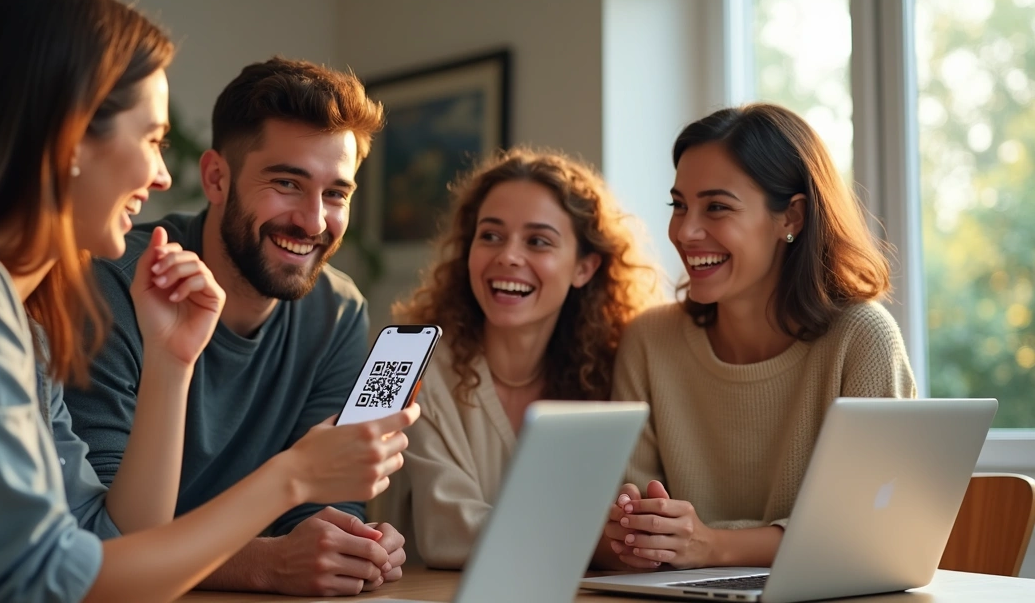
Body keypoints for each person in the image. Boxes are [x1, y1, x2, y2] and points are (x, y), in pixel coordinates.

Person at [0, 0, 415, 602]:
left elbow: (111, 543)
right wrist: (289, 479)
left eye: (336, 193)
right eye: (152, 140)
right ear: (69, 139)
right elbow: (49, 582)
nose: (162, 177)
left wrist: (170, 363)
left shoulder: (21, 321)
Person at [64, 57, 407, 597]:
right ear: (216, 178)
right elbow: (101, 537)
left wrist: (347, 544)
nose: (313, 221)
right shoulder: (117, 283)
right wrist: (263, 563)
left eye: (336, 194)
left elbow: (320, 500)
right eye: (287, 183)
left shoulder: (338, 310)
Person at [602, 103, 916, 572]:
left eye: (716, 207)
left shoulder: (862, 338)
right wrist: (635, 531)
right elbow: (629, 532)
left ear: (791, 217)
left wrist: (712, 545)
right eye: (679, 205)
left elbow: (869, 529)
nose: (685, 231)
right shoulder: (649, 341)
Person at [385, 147, 662, 568]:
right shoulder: (416, 364)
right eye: (490, 236)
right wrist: (598, 542)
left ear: (584, 268)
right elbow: (448, 533)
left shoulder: (612, 371)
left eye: (538, 242)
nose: (508, 256)